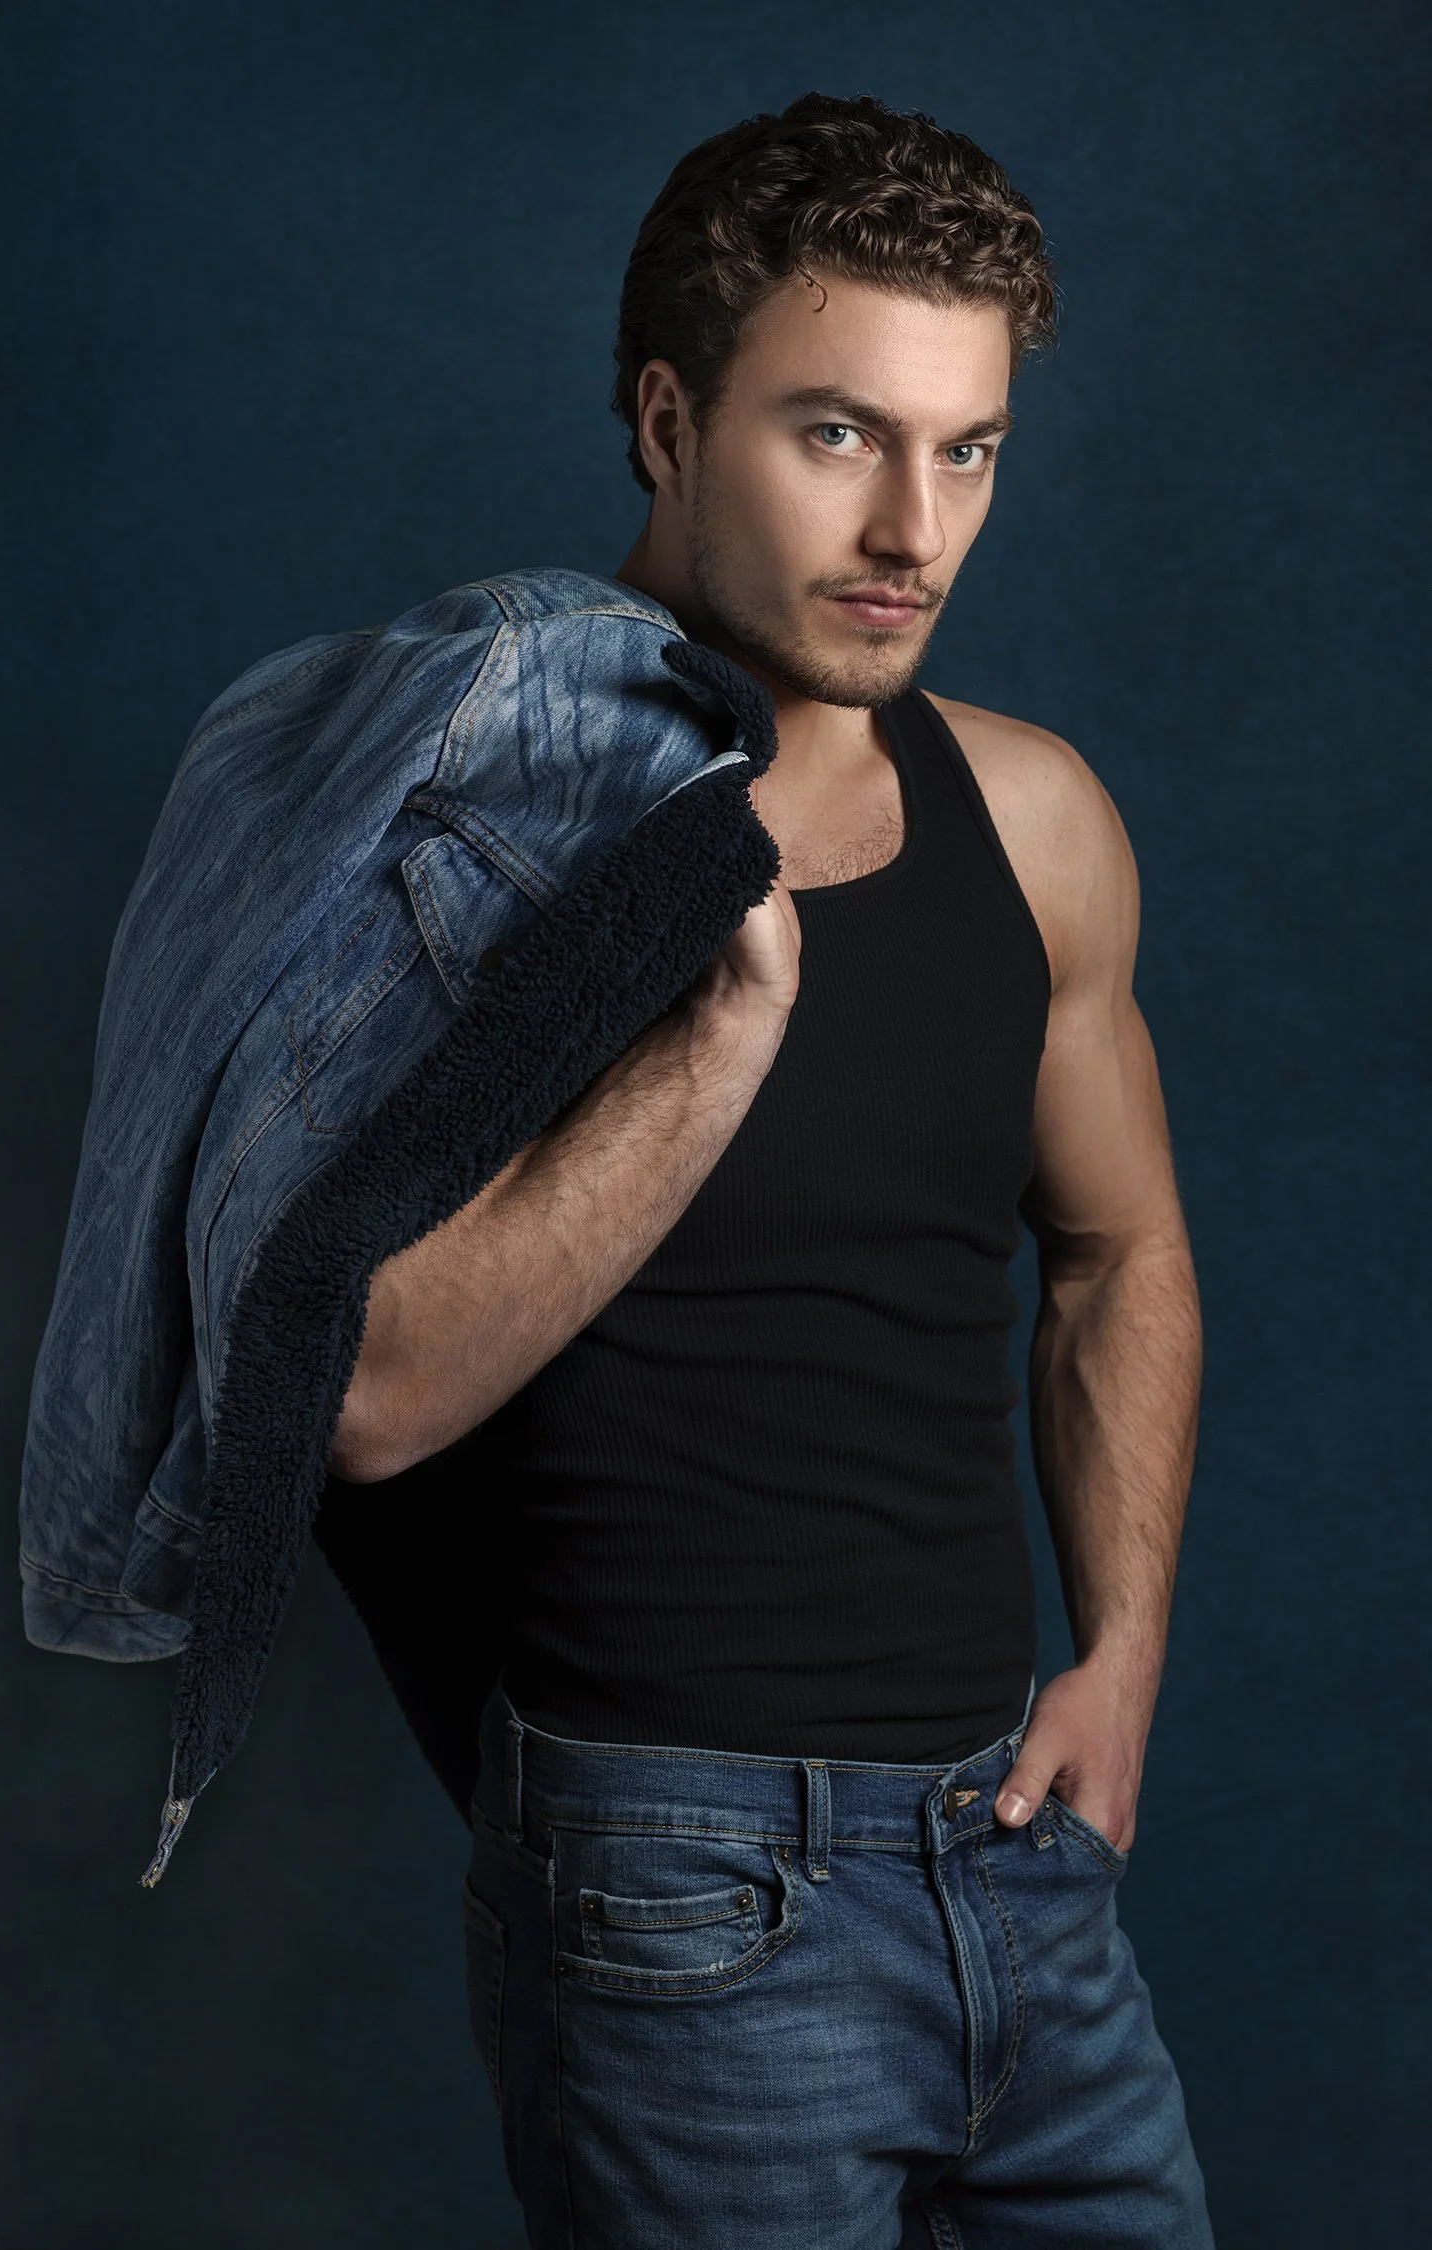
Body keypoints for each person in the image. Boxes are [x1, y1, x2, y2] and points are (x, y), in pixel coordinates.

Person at [326, 92, 1212, 2247]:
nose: (915, 523)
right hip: (679, 1886)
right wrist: (719, 1023)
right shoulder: (474, 831)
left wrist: (1122, 1657)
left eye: (969, 448)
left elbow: (1118, 1251)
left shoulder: (1037, 818)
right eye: (837, 435)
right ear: (665, 419)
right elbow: (367, 1396)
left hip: (1016, 1857)